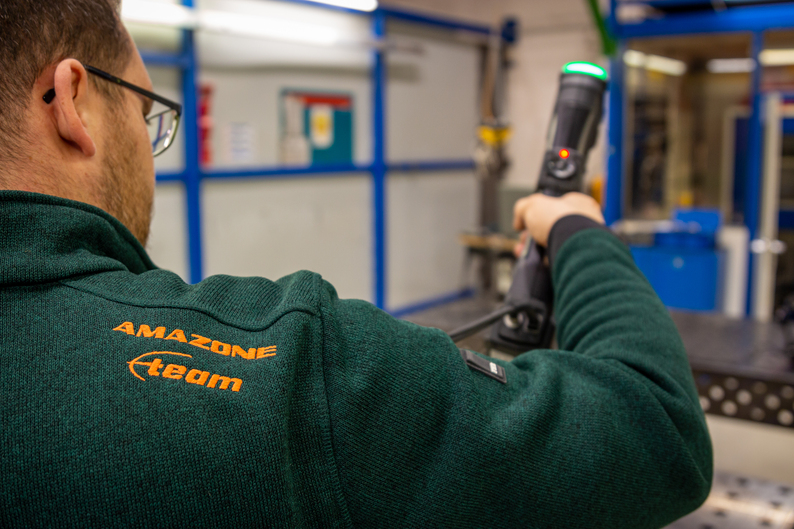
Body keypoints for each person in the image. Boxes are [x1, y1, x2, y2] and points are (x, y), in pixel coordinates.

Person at [0, 1, 712, 527]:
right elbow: (655, 426)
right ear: (71, 100)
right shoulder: (288, 374)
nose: (153, 151)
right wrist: (579, 230)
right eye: (145, 113)